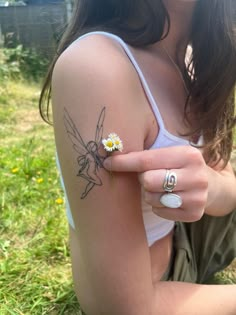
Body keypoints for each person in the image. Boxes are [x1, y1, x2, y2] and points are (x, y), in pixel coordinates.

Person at [39, 0, 236, 314]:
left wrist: (210, 186)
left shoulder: (193, 62)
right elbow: (127, 310)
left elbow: (229, 184)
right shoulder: (97, 68)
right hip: (156, 291)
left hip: (189, 243)